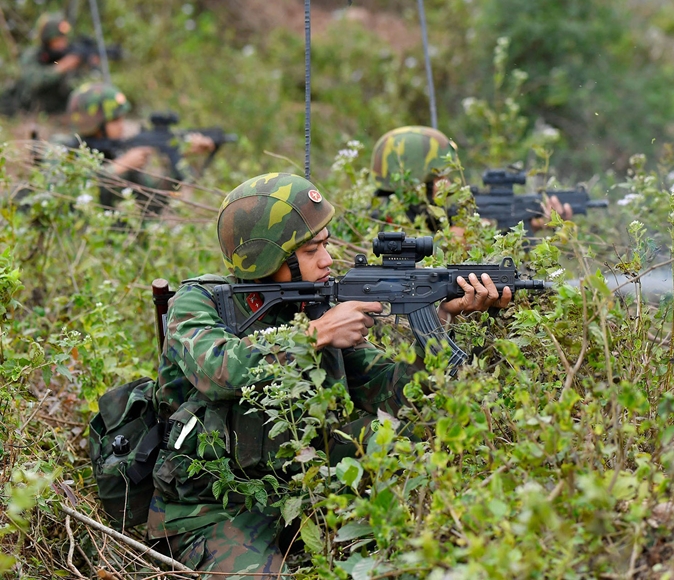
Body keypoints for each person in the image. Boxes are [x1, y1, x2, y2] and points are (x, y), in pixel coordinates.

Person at [147, 172, 510, 575]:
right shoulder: (199, 302)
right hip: (214, 506)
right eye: (310, 250)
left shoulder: (316, 304)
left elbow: (399, 399)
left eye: (326, 244)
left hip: (304, 492)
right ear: (267, 256)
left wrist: (440, 322)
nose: (327, 260)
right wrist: (314, 335)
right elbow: (220, 369)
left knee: (409, 438)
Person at [370, 125, 573, 234]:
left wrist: (534, 224)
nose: (448, 185)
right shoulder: (380, 224)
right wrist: (460, 239)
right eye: (439, 178)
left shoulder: (432, 218)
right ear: (411, 182)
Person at [63, 82, 215, 215]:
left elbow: (152, 205)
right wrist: (118, 167)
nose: (122, 125)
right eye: (115, 120)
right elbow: (69, 194)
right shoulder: (63, 149)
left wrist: (178, 158)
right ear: (93, 123)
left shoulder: (118, 152)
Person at [0, 13, 96, 116]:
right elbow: (31, 81)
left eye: (63, 39)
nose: (62, 43)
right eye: (57, 40)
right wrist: (60, 67)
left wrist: (87, 65)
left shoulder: (67, 53)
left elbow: (79, 86)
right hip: (27, 109)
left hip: (56, 112)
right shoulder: (33, 55)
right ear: (47, 40)